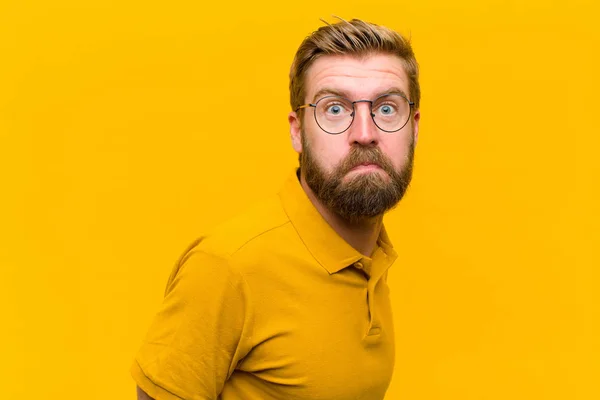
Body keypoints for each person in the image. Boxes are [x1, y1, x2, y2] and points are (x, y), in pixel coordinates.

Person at [132, 17, 421, 400]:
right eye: (335, 110)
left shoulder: (370, 256)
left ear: (414, 127)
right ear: (297, 131)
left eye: (387, 109)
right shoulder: (228, 267)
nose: (365, 133)